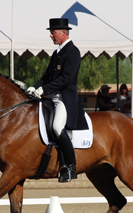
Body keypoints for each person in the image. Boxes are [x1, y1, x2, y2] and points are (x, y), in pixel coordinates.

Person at [26, 18, 88, 182]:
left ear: (63, 32)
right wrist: (35, 87)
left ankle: (70, 167)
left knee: (56, 126)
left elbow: (67, 78)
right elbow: (47, 76)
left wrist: (44, 89)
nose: (51, 36)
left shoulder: (73, 51)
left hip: (64, 99)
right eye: (51, 33)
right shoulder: (57, 52)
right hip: (50, 97)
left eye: (53, 32)